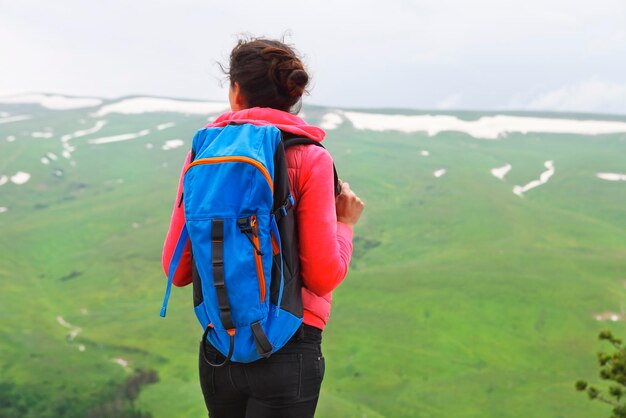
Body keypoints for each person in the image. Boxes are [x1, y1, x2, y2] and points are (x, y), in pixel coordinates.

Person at [162, 37, 364, 418]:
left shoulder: (203, 153)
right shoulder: (310, 157)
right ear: (292, 96)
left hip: (220, 347)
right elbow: (322, 276)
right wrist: (345, 224)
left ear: (235, 92)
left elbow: (178, 269)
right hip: (290, 348)